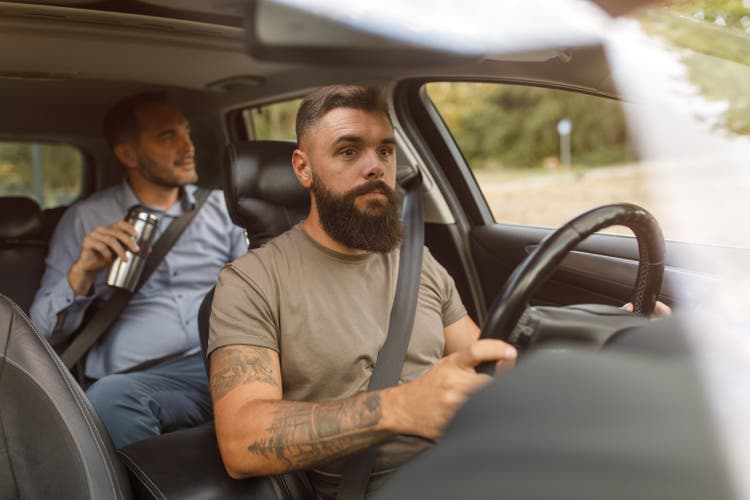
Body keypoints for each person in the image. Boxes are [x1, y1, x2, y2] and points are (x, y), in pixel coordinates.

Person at [207, 84, 518, 499]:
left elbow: (483, 362)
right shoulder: (251, 281)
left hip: (474, 462)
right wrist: (401, 408)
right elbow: (241, 441)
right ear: (302, 168)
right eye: (349, 151)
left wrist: (568, 346)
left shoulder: (415, 259)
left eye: (385, 151)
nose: (375, 167)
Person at [30, 92, 247, 448]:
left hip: (223, 362)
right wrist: (82, 273)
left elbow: (257, 291)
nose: (187, 146)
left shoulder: (222, 208)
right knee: (112, 398)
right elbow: (38, 332)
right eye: (168, 136)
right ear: (128, 154)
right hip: (141, 379)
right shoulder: (87, 218)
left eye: (187, 133)